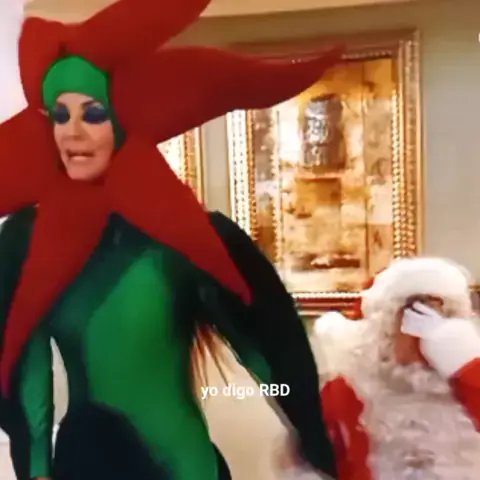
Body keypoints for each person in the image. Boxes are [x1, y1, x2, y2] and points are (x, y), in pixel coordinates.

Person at [0, 0, 344, 479]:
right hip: (86, 464)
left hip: (185, 468)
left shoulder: (183, 240)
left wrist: (314, 442)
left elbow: (265, 354)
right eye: (60, 115)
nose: (72, 132)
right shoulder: (27, 242)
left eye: (92, 114)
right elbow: (26, 376)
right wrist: (34, 471)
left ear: (123, 120)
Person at [275, 257, 480, 479]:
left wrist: (466, 368)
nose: (424, 335)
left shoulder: (471, 382)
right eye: (415, 314)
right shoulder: (345, 392)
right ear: (384, 327)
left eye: (442, 317)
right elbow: (303, 464)